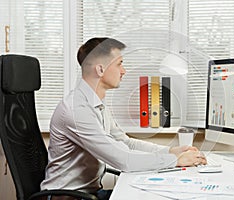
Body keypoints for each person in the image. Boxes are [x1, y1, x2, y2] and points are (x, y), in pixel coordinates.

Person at [41, 37, 207, 200]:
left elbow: (126, 143)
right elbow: (123, 160)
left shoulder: (95, 103)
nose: (124, 71)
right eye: (119, 64)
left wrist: (170, 151)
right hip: (66, 198)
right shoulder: (77, 110)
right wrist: (175, 160)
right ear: (100, 70)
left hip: (88, 194)